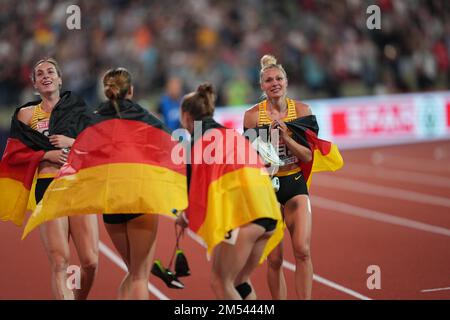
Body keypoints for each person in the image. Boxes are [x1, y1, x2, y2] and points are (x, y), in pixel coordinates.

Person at [176, 83, 283, 300]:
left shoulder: (196, 144)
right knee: (240, 281)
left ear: (186, 117)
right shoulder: (233, 135)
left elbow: (194, 194)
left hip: (246, 218)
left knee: (220, 282)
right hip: (270, 214)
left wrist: (184, 216)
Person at [16, 58, 98, 300]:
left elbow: (98, 145)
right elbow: (17, 154)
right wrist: (46, 154)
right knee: (60, 261)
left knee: (91, 261)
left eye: (50, 71)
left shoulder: (79, 109)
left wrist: (71, 143)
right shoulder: (26, 114)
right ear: (34, 84)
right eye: (39, 74)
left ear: (60, 79)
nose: (45, 75)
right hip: (49, 186)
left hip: (78, 186)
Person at [243, 54, 314, 300]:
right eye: (269, 80)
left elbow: (306, 156)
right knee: (274, 259)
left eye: (279, 78)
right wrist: (265, 150)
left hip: (294, 183)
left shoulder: (302, 111)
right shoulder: (252, 116)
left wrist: (286, 138)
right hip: (267, 190)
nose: (275, 83)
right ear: (262, 86)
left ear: (286, 81)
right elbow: (249, 159)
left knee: (303, 251)